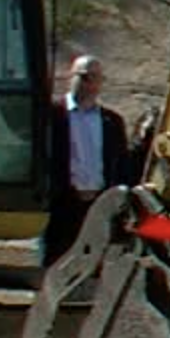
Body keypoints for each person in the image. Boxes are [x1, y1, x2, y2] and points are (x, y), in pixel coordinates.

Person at [44, 55, 136, 264]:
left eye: (95, 78)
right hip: (63, 203)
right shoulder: (52, 115)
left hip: (99, 205)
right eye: (83, 77)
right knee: (58, 262)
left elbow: (121, 163)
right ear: (71, 78)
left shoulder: (111, 121)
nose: (89, 84)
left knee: (96, 263)